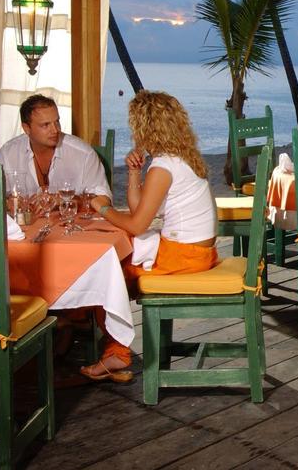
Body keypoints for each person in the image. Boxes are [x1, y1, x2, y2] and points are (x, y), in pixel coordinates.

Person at [80, 90, 218, 382]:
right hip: (195, 252)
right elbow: (138, 211)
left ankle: (112, 349)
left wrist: (102, 208)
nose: (132, 131)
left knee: (103, 273)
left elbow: (138, 224)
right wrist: (133, 174)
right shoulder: (179, 158)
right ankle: (108, 342)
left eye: (134, 125)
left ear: (145, 126)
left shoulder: (164, 167)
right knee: (114, 263)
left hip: (184, 256)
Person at [0, 94, 111, 200]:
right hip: (22, 226)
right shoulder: (8, 154)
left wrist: (66, 200)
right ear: (26, 128)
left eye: (57, 122)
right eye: (45, 125)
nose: (55, 130)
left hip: (70, 226)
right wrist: (8, 203)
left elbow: (103, 199)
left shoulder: (83, 154)